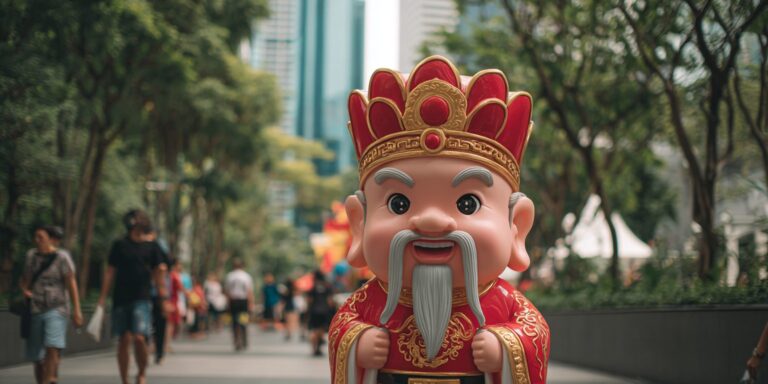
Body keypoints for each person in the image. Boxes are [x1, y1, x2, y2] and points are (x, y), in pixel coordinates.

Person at [329, 56, 549, 383]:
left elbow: (534, 332)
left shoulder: (505, 303)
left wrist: (506, 347)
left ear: (516, 226)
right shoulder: (368, 301)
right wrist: (356, 342)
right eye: (399, 204)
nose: (431, 221)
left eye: (468, 204)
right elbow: (341, 326)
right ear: (359, 224)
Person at [97, 210, 168, 384]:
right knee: (123, 339)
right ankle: (125, 379)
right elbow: (110, 271)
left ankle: (142, 372)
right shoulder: (119, 245)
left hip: (142, 298)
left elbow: (159, 270)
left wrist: (162, 296)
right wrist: (102, 298)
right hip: (120, 298)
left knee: (139, 337)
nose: (135, 222)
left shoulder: (152, 246)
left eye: (138, 219)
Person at [20, 225, 83, 384]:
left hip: (57, 307)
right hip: (35, 308)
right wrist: (25, 291)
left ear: (51, 239)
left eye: (41, 237)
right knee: (37, 357)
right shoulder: (31, 256)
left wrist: (77, 310)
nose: (37, 240)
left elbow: (71, 282)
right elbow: (25, 279)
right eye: (36, 237)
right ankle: (47, 379)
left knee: (52, 346)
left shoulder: (62, 257)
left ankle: (49, 379)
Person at [224, 258, 254, 351]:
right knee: (243, 320)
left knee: (234, 321)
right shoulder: (246, 276)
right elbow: (249, 291)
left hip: (233, 301)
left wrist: (228, 303)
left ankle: (236, 340)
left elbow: (227, 291)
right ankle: (244, 338)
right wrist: (250, 303)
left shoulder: (229, 276)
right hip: (243, 301)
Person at [307, 270, 335, 356]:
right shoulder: (327, 287)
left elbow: (309, 300)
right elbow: (330, 301)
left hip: (314, 311)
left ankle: (314, 348)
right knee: (321, 329)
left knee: (314, 330)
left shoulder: (312, 288)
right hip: (324, 311)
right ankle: (318, 348)